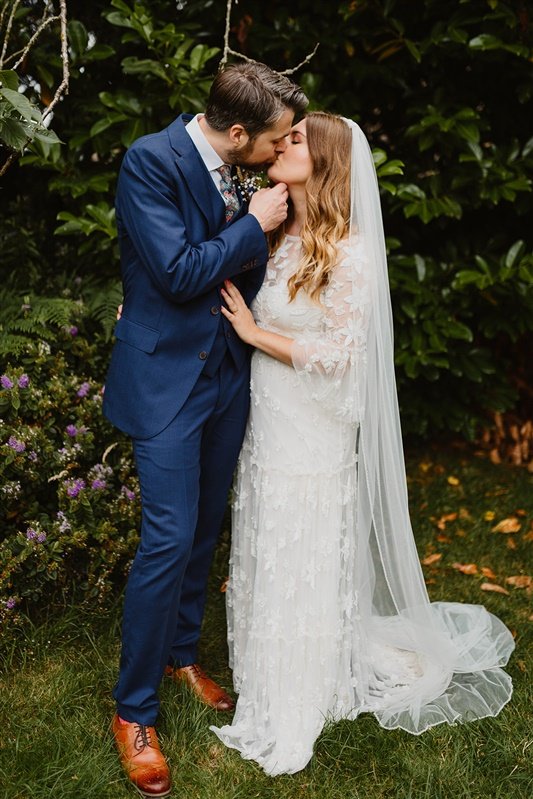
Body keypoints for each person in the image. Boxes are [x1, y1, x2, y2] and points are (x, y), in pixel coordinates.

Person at [210, 112, 515, 776]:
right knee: (267, 531)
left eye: (294, 141)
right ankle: (267, 663)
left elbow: (341, 357)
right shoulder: (273, 230)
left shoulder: (349, 250)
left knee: (303, 539)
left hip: (311, 422)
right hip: (267, 414)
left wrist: (255, 334)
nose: (279, 144)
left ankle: (300, 689)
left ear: (322, 161)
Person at [102, 62, 308, 796]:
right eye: (276, 137)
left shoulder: (243, 168)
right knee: (165, 534)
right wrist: (252, 226)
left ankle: (179, 652)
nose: (282, 148)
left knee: (202, 527)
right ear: (239, 132)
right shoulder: (149, 161)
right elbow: (181, 273)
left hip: (227, 373)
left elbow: (239, 276)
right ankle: (133, 712)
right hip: (164, 380)